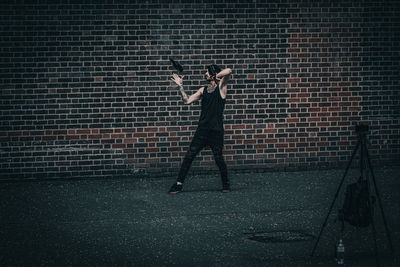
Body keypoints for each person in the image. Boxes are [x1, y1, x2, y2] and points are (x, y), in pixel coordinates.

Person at [168, 64, 232, 194]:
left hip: (216, 131)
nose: (205, 74)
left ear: (212, 74)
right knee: (189, 156)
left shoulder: (222, 87)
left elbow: (229, 71)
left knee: (218, 158)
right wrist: (181, 86)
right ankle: (178, 184)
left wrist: (216, 76)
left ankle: (226, 184)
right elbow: (187, 100)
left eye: (207, 72)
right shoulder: (203, 90)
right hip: (202, 130)